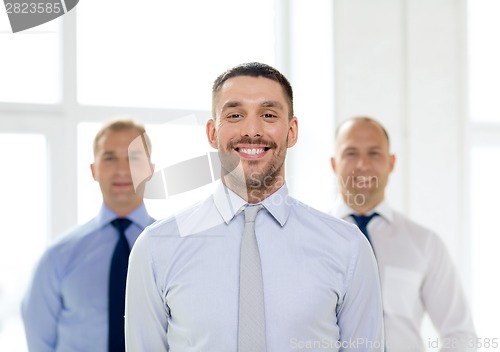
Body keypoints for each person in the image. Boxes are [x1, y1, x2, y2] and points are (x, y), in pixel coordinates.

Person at [125, 62, 384, 351]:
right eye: (235, 115)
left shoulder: (347, 248)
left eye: (268, 114)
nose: (251, 130)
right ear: (212, 132)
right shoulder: (156, 248)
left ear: (292, 130)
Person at [330, 116, 477, 351]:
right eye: (351, 153)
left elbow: (460, 333)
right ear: (334, 164)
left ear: (391, 163)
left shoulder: (424, 243)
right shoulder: (311, 240)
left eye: (374, 153)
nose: (362, 164)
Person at [22, 118, 156, 352]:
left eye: (134, 157)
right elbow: (39, 341)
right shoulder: (57, 257)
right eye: (110, 158)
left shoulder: (174, 250)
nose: (122, 169)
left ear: (150, 170)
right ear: (94, 170)